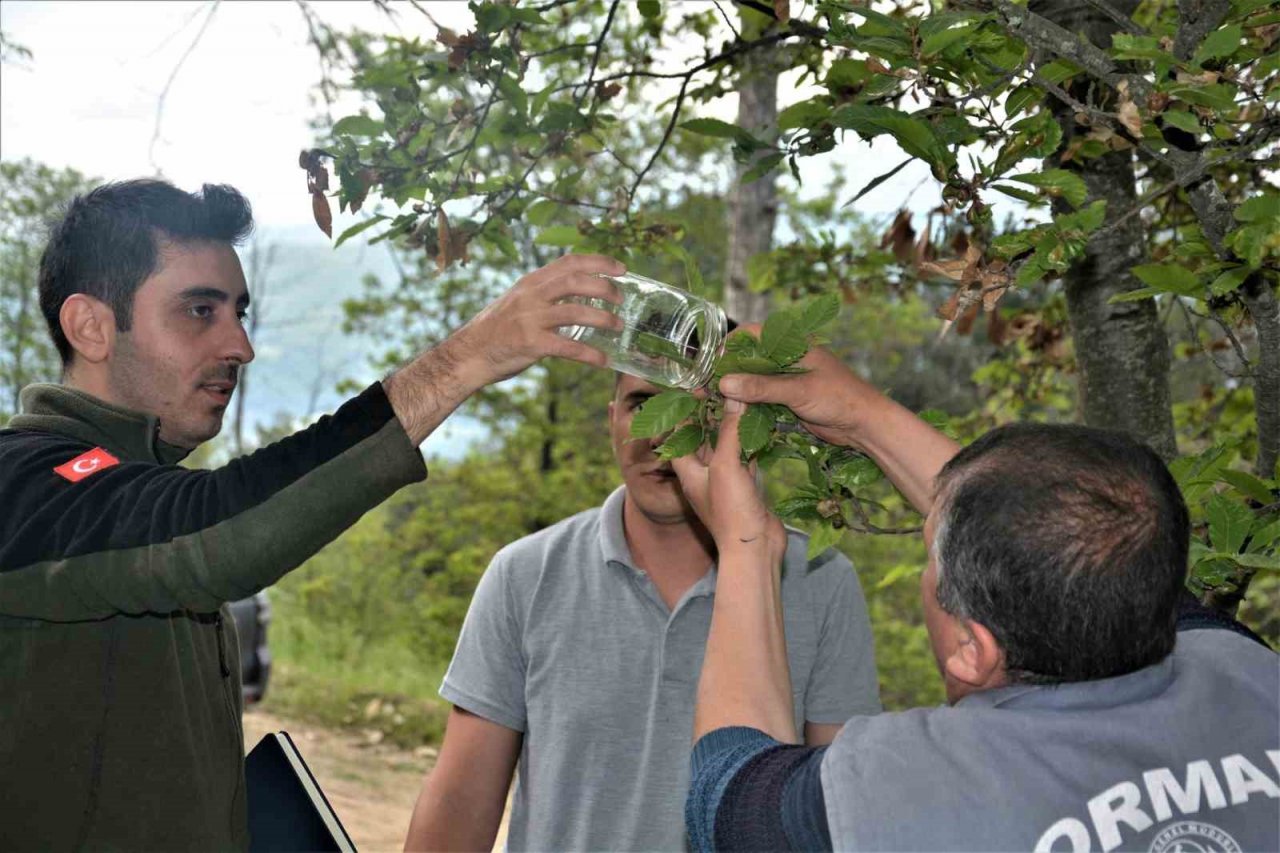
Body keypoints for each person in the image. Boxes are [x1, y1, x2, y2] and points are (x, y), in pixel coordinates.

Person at [0, 179, 627, 850]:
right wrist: (469, 357)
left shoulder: (134, 488)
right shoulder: (28, 483)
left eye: (239, 311)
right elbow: (214, 529)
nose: (239, 344)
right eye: (199, 311)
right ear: (90, 326)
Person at [677, 341, 1279, 852]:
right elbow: (1085, 549)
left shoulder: (920, 785)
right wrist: (859, 415)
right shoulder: (1246, 675)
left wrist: (746, 544)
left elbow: (726, 793)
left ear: (971, 646)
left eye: (928, 557)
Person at [403, 371, 882, 851]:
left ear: (752, 430)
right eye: (642, 405)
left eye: (701, 413)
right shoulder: (524, 575)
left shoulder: (821, 581)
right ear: (612, 419)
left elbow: (839, 811)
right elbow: (459, 801)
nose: (663, 434)